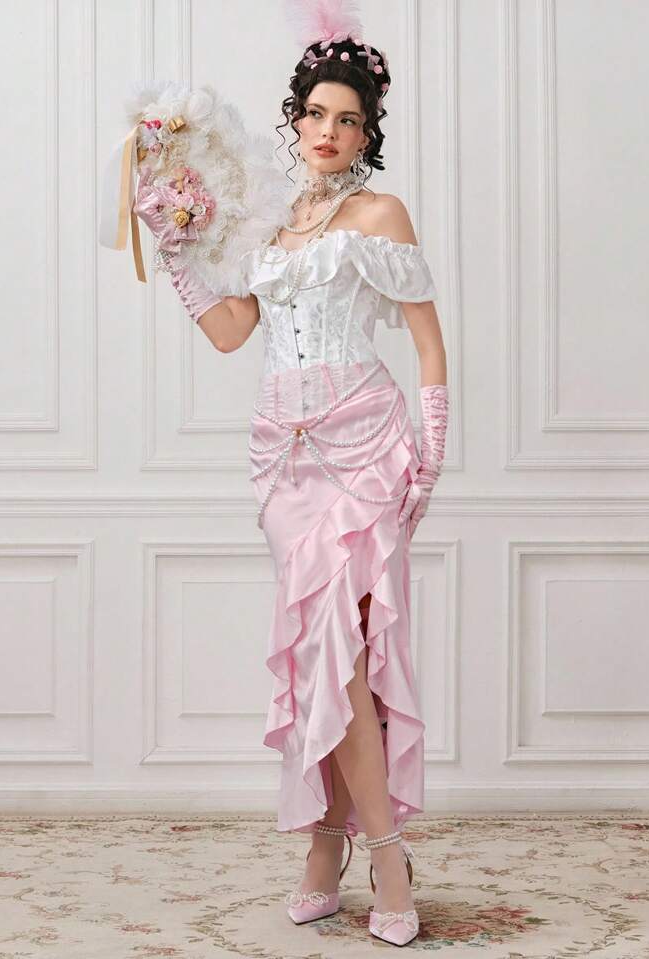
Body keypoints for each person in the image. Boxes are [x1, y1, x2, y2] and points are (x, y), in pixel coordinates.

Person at [133, 20, 448, 950]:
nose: (327, 131)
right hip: (285, 459)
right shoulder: (268, 222)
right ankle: (327, 841)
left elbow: (428, 343)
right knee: (322, 655)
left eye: (347, 120)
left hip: (366, 444)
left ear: (367, 132)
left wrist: (430, 454)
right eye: (314, 114)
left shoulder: (381, 215)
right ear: (295, 119)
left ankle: (375, 854)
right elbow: (235, 331)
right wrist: (179, 250)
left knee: (347, 656)